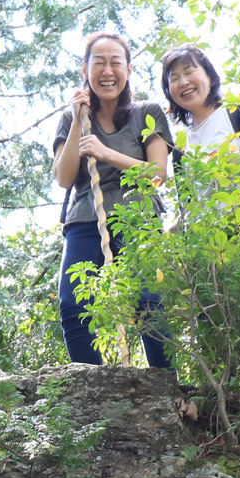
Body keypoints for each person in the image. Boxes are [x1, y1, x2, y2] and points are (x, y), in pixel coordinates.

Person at [51, 30, 175, 367]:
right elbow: (63, 177)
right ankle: (89, 385)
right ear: (85, 69)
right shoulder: (69, 118)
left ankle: (166, 385)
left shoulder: (146, 113)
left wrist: (105, 152)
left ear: (129, 69)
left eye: (115, 63)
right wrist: (79, 121)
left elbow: (157, 174)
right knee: (73, 304)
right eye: (99, 63)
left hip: (139, 219)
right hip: (86, 221)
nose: (108, 71)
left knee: (149, 302)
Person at [158, 43, 240, 175]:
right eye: (174, 78)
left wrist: (221, 163)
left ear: (209, 75)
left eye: (188, 72)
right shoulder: (181, 149)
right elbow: (186, 195)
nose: (183, 82)